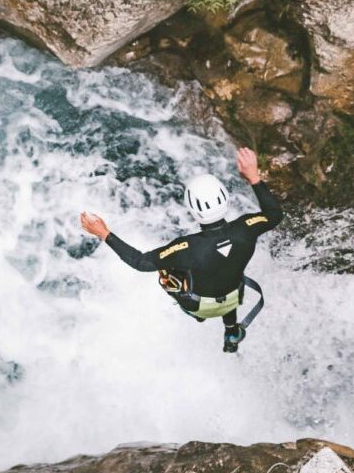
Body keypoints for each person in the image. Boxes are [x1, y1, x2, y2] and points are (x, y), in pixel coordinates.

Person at [80, 146, 283, 353]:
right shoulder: (247, 228)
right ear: (225, 199)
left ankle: (201, 318)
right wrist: (253, 177)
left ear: (192, 209)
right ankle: (231, 331)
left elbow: (140, 262)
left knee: (167, 269)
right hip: (233, 297)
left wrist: (103, 232)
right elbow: (275, 214)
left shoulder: (185, 248)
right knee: (226, 274)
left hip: (198, 306)